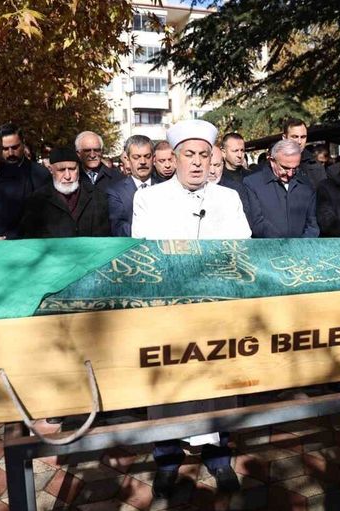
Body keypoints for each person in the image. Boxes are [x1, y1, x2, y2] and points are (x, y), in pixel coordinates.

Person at [131, 119, 245, 497]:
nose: (197, 162)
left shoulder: (228, 198)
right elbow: (146, 250)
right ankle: (167, 460)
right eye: (189, 155)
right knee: (168, 385)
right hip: (169, 309)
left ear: (212, 158)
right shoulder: (149, 198)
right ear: (175, 157)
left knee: (217, 381)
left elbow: (241, 247)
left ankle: (218, 456)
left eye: (203, 155)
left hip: (215, 307)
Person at [19, 147, 110, 238]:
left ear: (79, 168)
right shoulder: (37, 200)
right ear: (51, 170)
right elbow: (31, 238)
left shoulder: (96, 196)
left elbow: (103, 237)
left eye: (72, 169)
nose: (67, 176)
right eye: (61, 170)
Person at [243, 138, 319, 238]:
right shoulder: (253, 183)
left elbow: (312, 224)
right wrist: (282, 244)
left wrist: (301, 245)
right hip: (268, 246)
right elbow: (256, 222)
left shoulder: (306, 185)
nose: (290, 174)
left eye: (295, 168)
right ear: (272, 161)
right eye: (285, 168)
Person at [107, 135, 156, 237]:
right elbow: (117, 227)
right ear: (128, 160)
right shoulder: (116, 191)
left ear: (153, 158)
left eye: (147, 156)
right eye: (136, 157)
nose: (143, 162)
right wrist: (152, 231)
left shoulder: (166, 186)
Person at [0, 123, 52, 189]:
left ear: (23, 144)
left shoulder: (41, 175)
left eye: (15, 147)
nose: (10, 153)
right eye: (5, 149)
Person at [281, 118, 326, 187]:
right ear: (284, 138)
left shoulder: (316, 167)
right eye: (295, 137)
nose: (299, 142)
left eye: (303, 137)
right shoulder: (273, 165)